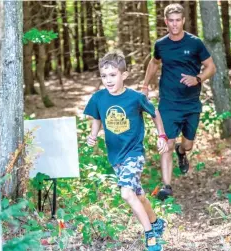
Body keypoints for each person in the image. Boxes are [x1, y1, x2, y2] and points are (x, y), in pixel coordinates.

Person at [84, 51, 169, 251]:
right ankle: (157, 222)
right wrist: (93, 134)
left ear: (124, 75)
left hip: (134, 153)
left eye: (113, 75)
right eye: (104, 76)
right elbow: (97, 117)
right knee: (138, 194)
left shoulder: (135, 98)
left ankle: (150, 235)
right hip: (116, 156)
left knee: (126, 193)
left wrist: (162, 136)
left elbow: (154, 113)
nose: (108, 80)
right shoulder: (98, 98)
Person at [141, 3, 216, 201]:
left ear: (183, 21)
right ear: (166, 22)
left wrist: (197, 78)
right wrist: (145, 85)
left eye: (178, 20)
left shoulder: (195, 43)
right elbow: (154, 63)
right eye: (171, 21)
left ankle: (182, 153)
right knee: (166, 141)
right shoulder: (161, 44)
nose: (174, 24)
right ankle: (167, 186)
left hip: (191, 103)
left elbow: (211, 67)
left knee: (188, 145)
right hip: (168, 102)